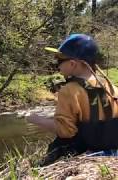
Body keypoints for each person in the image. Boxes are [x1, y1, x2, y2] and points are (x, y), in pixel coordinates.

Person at [27, 34, 118, 166]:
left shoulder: (69, 91)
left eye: (59, 61)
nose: (57, 65)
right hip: (112, 154)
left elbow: (66, 131)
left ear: (72, 64)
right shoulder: (112, 87)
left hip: (86, 155)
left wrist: (36, 119)